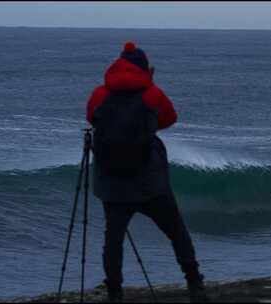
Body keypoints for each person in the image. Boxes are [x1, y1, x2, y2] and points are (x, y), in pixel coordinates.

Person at [86, 41, 209, 303]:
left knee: (113, 238)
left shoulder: (99, 93)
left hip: (112, 182)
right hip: (149, 181)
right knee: (176, 231)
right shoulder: (152, 93)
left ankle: (114, 292)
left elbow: (91, 118)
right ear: (144, 69)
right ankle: (194, 283)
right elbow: (170, 118)